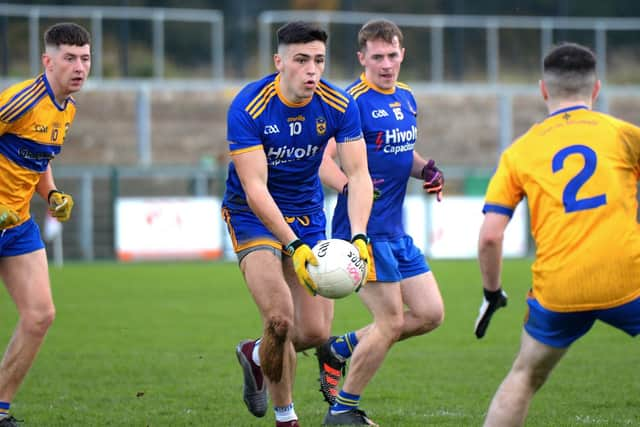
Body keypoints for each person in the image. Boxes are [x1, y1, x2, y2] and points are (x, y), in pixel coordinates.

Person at [475, 42, 640, 427]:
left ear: (543, 90)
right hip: (629, 279)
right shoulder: (625, 136)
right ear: (596, 89)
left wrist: (491, 292)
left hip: (560, 288)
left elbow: (489, 237)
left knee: (525, 376)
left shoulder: (520, 152)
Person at [222, 21, 373, 427]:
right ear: (280, 62)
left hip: (306, 214)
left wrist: (358, 235)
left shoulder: (339, 104)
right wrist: (292, 245)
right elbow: (255, 188)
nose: (312, 70)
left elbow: (359, 176)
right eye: (301, 60)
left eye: (319, 60)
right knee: (280, 319)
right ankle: (286, 416)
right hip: (252, 215)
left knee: (315, 331)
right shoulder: (248, 105)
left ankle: (255, 354)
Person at [316, 19, 445, 426]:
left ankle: (340, 348)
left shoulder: (406, 97)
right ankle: (343, 410)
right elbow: (324, 160)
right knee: (389, 322)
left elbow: (400, 152)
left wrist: (426, 170)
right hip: (361, 232)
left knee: (429, 314)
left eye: (392, 55)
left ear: (402, 54)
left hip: (395, 231)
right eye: (377, 57)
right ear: (362, 58)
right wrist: (352, 187)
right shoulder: (349, 101)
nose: (386, 64)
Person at [0, 23, 91, 426]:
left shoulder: (66, 109)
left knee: (40, 315)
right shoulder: (19, 101)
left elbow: (36, 160)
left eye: (85, 58)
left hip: (16, 225)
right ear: (47, 60)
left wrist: (51, 194)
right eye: (69, 58)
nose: (79, 67)